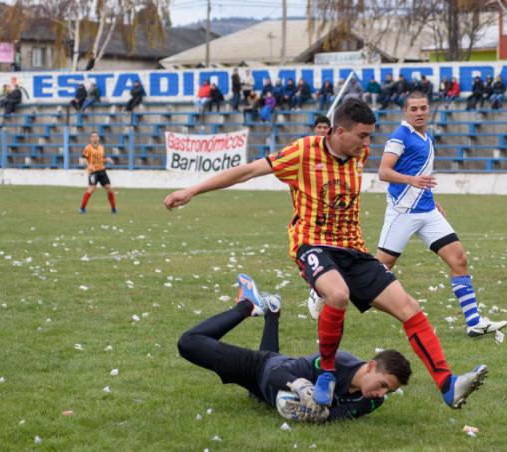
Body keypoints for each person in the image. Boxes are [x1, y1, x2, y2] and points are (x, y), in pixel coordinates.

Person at [163, 99, 490, 411]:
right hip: (312, 245)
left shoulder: (360, 154)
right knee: (337, 294)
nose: (366, 144)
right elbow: (248, 171)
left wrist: (431, 201)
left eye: (369, 137)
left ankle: (447, 384)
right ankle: (328, 369)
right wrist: (192, 190)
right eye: (361, 136)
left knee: (411, 309)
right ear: (338, 131)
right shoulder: (303, 151)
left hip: (353, 249)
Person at [178, 274, 412, 423]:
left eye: (388, 391)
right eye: (382, 385)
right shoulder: (335, 362)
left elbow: (335, 417)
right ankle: (247, 305)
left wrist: (319, 415)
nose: (381, 395)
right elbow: (276, 375)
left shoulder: (372, 401)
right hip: (262, 370)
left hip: (266, 388)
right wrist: (299, 387)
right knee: (188, 343)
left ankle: (272, 313)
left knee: (258, 392)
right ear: (371, 366)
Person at [373, 91, 507, 337]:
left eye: (423, 108)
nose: (419, 113)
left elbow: (422, 175)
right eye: (413, 109)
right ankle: (326, 291)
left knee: (459, 259)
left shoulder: (426, 137)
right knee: (378, 271)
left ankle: (474, 322)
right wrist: (411, 180)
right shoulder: (400, 136)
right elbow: (383, 171)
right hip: (403, 213)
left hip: (427, 212)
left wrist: (433, 201)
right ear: (405, 111)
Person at [80, 132, 117, 214]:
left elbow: (100, 159)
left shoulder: (101, 148)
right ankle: (82, 208)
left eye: (96, 136)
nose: (95, 138)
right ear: (90, 139)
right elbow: (83, 159)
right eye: (93, 136)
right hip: (93, 172)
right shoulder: (88, 148)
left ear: (98, 138)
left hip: (102, 170)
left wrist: (106, 159)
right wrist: (89, 165)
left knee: (109, 188)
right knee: (91, 189)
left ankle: (113, 209)